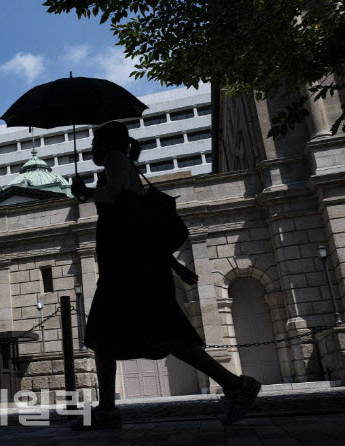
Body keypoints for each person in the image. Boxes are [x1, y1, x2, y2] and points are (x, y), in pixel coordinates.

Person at [69, 121, 260, 430]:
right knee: (108, 335)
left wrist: (86, 192)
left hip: (131, 271)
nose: (91, 149)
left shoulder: (116, 160)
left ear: (105, 144)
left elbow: (116, 198)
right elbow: (140, 229)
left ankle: (237, 386)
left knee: (160, 333)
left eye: (94, 143)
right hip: (129, 268)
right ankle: (106, 410)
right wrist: (175, 265)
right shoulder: (123, 165)